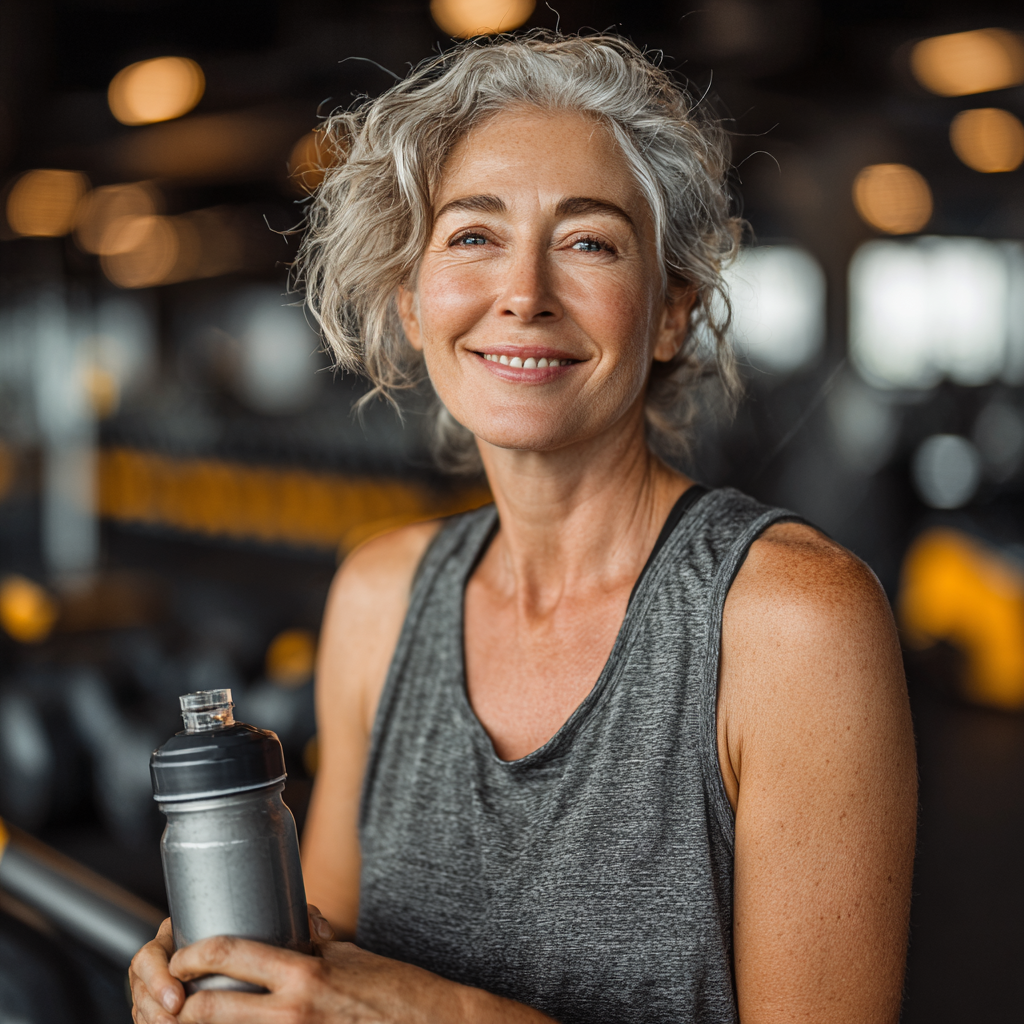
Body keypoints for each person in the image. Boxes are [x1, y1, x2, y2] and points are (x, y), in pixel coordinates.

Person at [130, 32, 917, 1024]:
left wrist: (442, 1014)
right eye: (471, 236)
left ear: (671, 309)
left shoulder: (792, 622)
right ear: (411, 302)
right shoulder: (379, 595)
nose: (524, 293)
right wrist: (229, 979)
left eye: (588, 241)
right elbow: (324, 976)